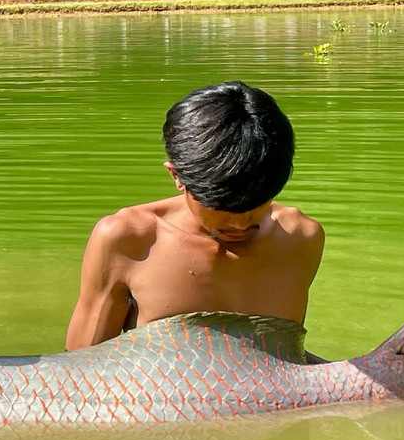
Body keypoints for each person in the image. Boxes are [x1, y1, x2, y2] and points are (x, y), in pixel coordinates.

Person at [65, 81, 326, 352]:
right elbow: (81, 367)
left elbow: (285, 358)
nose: (241, 223)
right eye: (221, 206)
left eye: (259, 203)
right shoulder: (127, 239)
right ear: (176, 176)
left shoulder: (302, 238)